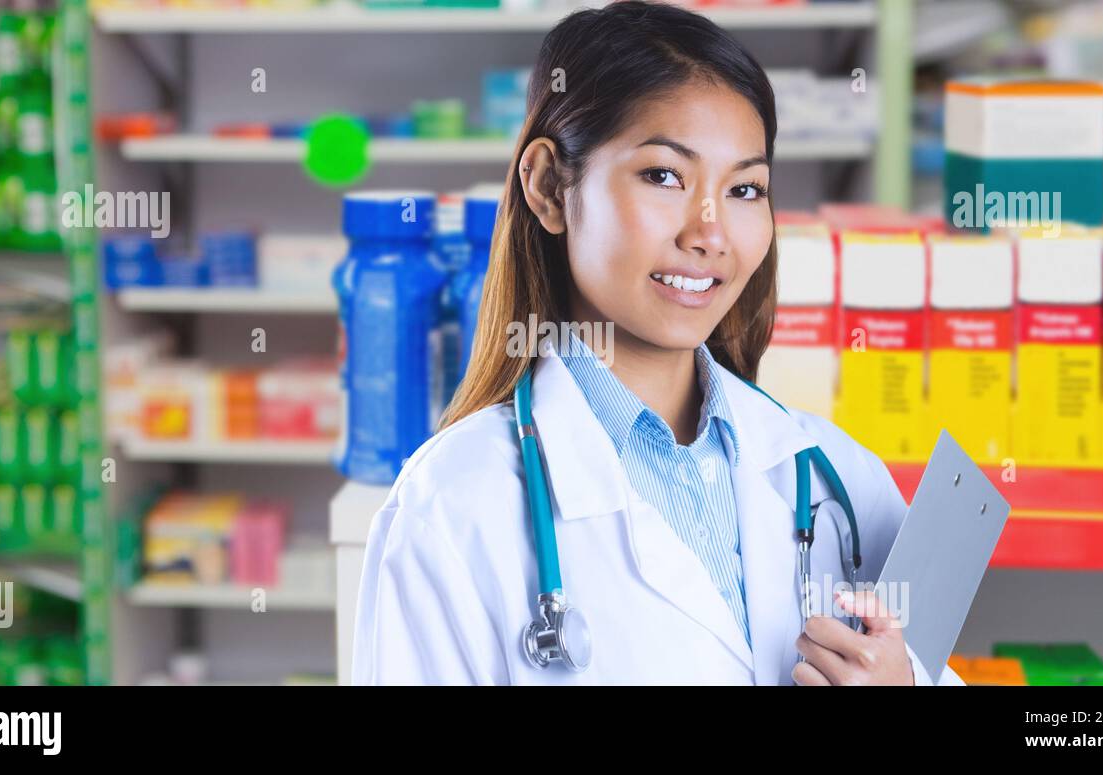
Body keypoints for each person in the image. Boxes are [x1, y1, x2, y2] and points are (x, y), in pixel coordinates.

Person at [351, 0, 964, 686]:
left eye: (745, 188)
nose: (709, 232)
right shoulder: (451, 509)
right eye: (664, 176)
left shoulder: (837, 480)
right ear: (550, 187)